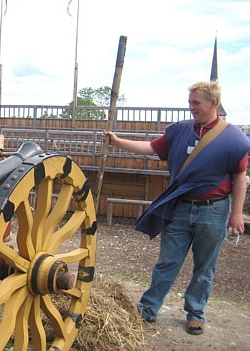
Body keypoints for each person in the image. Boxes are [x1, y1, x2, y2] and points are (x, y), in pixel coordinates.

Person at [103, 81, 249, 335]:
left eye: (196, 103)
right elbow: (150, 148)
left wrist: (236, 213)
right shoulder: (180, 131)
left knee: (205, 267)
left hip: (213, 210)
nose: (191, 107)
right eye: (190, 102)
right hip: (180, 207)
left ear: (213, 103)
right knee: (167, 262)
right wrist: (117, 141)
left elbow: (239, 176)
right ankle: (148, 308)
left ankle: (196, 313)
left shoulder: (232, 138)